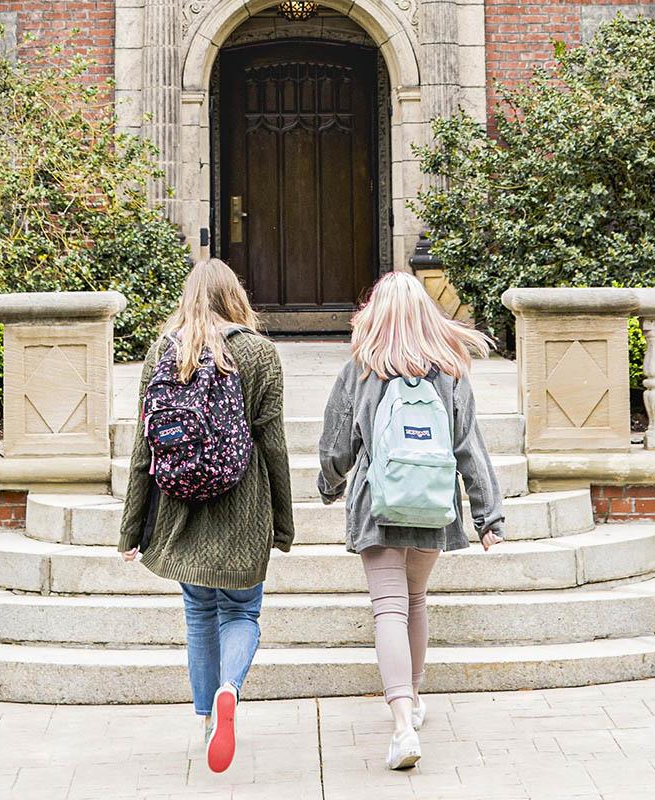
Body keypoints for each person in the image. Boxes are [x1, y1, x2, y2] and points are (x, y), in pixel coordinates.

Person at [317, 271, 504, 772]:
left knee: (388, 609)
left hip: (379, 504)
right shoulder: (451, 371)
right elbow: (469, 447)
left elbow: (338, 447)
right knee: (416, 599)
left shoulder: (360, 369)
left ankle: (401, 724)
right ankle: (415, 701)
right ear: (426, 313)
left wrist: (329, 486)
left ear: (375, 314)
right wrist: (488, 516)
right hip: (432, 505)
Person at [118, 259, 293, 774]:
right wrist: (283, 522)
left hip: (179, 508)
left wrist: (132, 529)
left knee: (198, 613)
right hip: (243, 508)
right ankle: (229, 691)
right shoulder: (259, 354)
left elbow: (142, 450)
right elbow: (273, 445)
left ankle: (204, 717)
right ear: (236, 297)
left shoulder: (162, 353)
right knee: (241, 613)